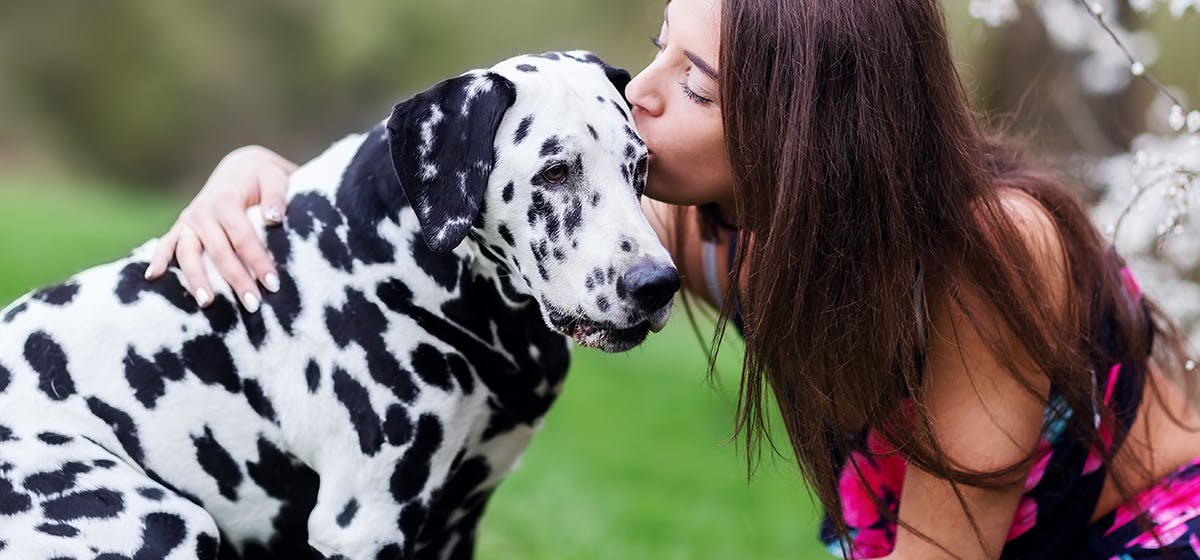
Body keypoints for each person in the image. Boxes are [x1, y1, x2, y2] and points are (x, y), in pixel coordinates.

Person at [145, 0, 1200, 557]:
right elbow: (460, 187)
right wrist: (261, 177)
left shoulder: (991, 250)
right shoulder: (697, 228)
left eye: (689, 82)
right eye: (657, 46)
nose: (635, 95)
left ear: (803, 138)